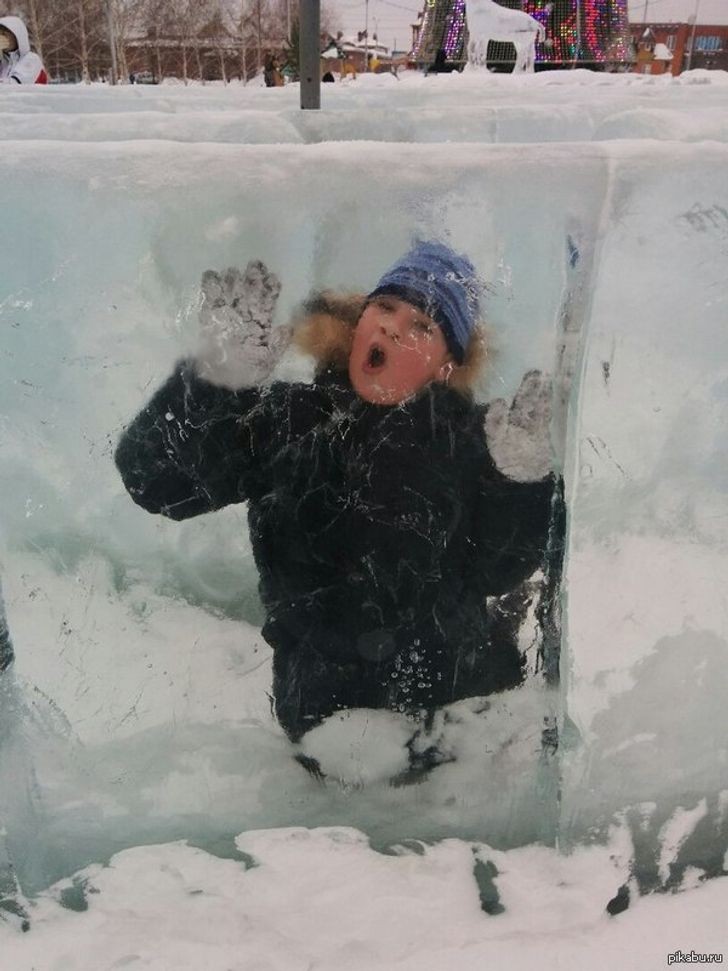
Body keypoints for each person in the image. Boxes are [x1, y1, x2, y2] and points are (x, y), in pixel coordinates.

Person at [115, 242, 560, 745]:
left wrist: (520, 484)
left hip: (459, 721)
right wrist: (215, 382)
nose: (393, 326)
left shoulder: (480, 439)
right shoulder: (287, 418)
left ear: (446, 367)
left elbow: (499, 569)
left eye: (422, 327)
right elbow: (156, 484)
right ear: (358, 324)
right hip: (322, 727)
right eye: (385, 307)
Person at [0, 16, 47, 85]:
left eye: (4, 34)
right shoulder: (4, 62)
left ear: (17, 36)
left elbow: (15, 85)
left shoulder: (31, 59)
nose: (1, 38)